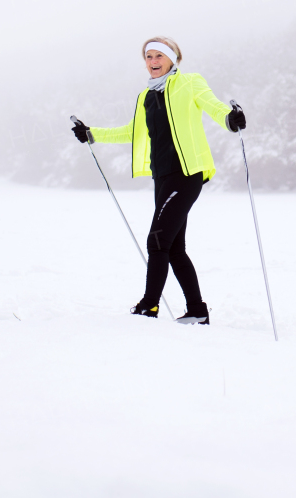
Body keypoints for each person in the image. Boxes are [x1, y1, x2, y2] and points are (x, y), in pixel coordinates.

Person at [71, 37, 246, 325]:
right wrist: (92, 134)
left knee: (157, 240)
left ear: (172, 59)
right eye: (148, 56)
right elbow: (133, 131)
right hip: (162, 177)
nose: (153, 61)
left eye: (158, 56)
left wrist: (230, 118)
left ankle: (148, 306)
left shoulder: (190, 83)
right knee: (174, 248)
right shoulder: (145, 97)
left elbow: (213, 107)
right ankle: (197, 311)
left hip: (188, 173)